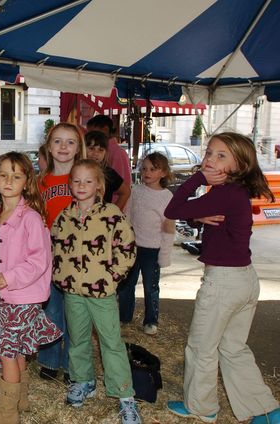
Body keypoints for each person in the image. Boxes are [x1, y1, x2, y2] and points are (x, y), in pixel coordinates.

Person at [165, 132, 279, 424]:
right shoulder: (232, 192)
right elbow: (195, 216)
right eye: (209, 153)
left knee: (202, 348)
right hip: (245, 280)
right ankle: (265, 411)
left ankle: (202, 408)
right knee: (232, 347)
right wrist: (198, 216)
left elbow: (172, 209)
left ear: (240, 165)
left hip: (223, 284)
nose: (210, 160)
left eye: (221, 156)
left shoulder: (223, 192)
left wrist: (197, 179)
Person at [52, 159, 141, 424]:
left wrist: (112, 277)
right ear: (70, 184)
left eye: (88, 181)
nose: (81, 185)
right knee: (78, 340)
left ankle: (125, 396)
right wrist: (61, 277)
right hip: (73, 293)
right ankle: (83, 381)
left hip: (102, 293)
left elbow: (127, 248)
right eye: (76, 180)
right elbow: (55, 248)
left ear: (99, 186)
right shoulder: (63, 217)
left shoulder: (111, 214)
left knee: (111, 343)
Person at [0, 152, 62, 424]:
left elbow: (39, 260)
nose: (8, 181)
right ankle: (20, 400)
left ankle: (7, 412)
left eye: (16, 176)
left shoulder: (31, 218)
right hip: (6, 295)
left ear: (27, 182)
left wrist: (10, 277)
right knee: (19, 348)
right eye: (3, 175)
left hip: (23, 295)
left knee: (7, 352)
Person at [36, 123, 86, 383]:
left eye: (70, 142)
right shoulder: (40, 182)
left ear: (79, 148)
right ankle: (49, 360)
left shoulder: (85, 178)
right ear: (49, 146)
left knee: (76, 313)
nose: (63, 147)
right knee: (52, 311)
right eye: (57, 141)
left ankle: (72, 364)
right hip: (48, 257)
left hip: (78, 259)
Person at [117, 152, 174, 335]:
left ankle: (151, 321)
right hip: (133, 247)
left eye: (153, 169)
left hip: (153, 250)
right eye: (144, 169)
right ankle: (124, 316)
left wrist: (164, 254)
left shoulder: (166, 197)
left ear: (163, 173)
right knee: (126, 285)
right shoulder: (137, 191)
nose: (146, 172)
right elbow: (128, 215)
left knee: (151, 287)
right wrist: (124, 240)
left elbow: (168, 228)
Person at [84, 130, 131, 210]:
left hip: (101, 220)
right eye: (91, 148)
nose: (95, 153)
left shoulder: (108, 173)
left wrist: (114, 213)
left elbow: (126, 192)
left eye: (100, 150)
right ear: (83, 149)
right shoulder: (76, 171)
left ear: (105, 153)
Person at [86, 115, 131, 189]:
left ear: (105, 130)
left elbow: (124, 187)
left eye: (92, 132)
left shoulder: (118, 153)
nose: (90, 136)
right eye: (91, 148)